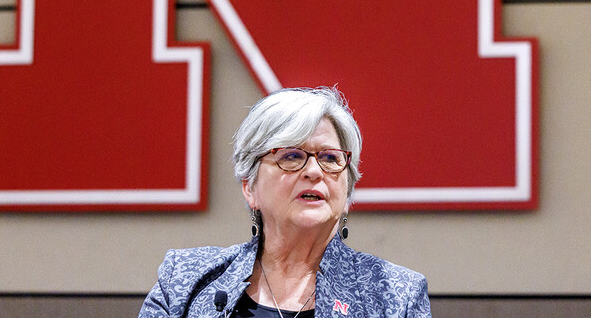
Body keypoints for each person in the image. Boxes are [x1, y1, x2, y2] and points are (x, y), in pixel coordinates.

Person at [139, 86, 432, 317]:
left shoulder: (396, 296)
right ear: (250, 187)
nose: (314, 171)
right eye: (291, 156)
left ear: (347, 193)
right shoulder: (185, 280)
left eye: (330, 158)